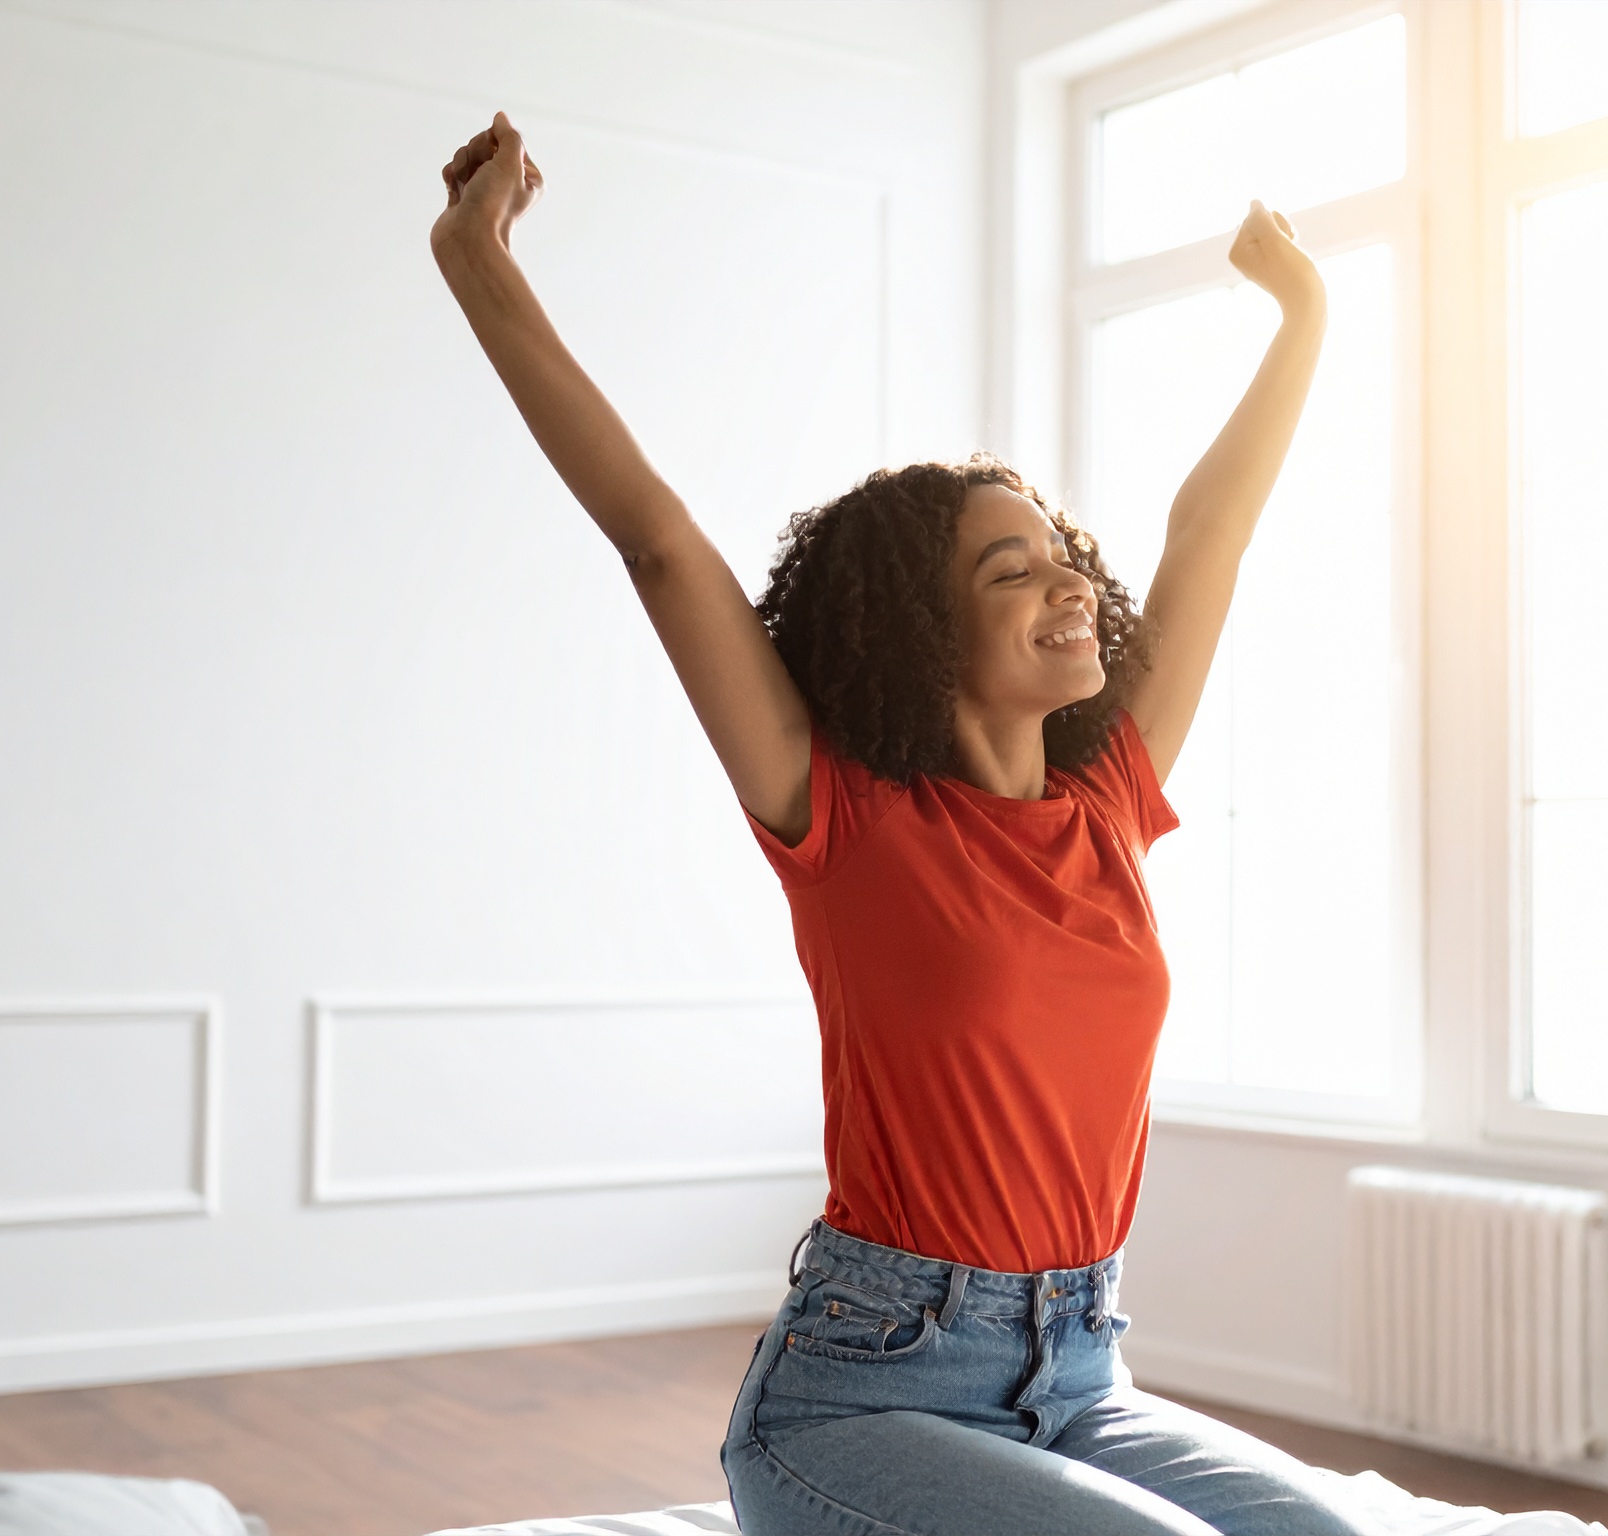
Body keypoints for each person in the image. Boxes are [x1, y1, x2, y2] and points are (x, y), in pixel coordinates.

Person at [433, 112, 1361, 1536]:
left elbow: (1209, 533)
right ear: (925, 632)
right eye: (1011, 572)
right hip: (866, 1388)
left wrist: (1304, 313)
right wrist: (477, 260)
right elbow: (657, 538)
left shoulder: (1106, 799)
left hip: (1085, 1369)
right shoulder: (845, 815)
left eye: (1062, 557)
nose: (1066, 587)